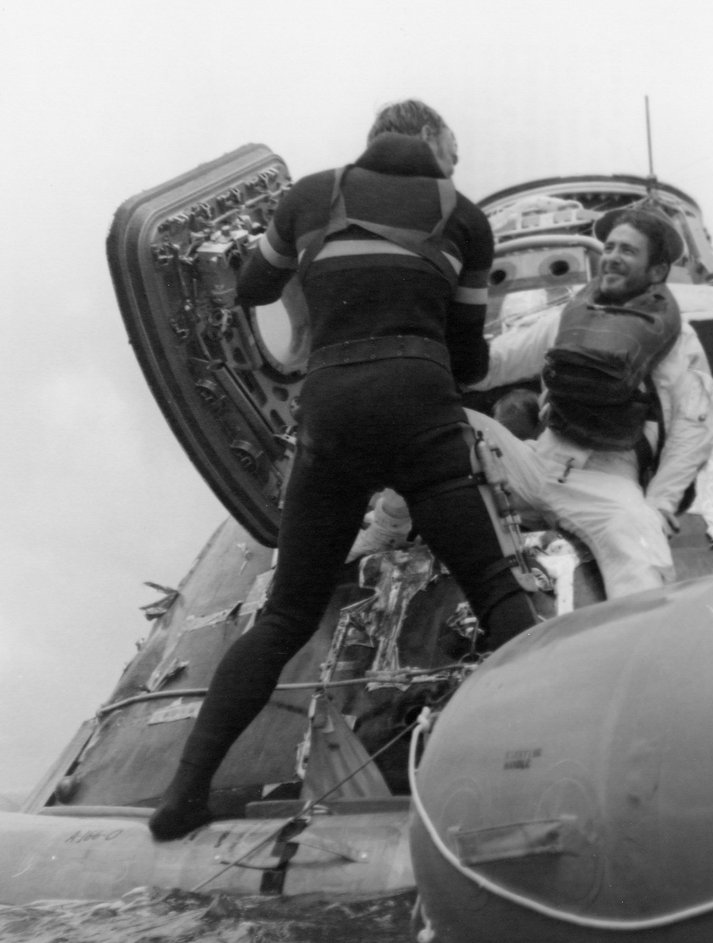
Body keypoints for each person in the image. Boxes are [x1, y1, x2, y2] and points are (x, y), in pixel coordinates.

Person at [149, 99, 538, 841]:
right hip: (419, 399)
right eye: (452, 152)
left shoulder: (308, 197)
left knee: (285, 616)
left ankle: (183, 795)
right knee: (494, 588)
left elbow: (251, 287)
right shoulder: (465, 218)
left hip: (332, 407)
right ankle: (550, 764)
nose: (454, 166)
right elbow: (468, 355)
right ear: (429, 139)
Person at [355, 205, 713, 597]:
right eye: (611, 247)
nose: (613, 257)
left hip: (605, 483)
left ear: (657, 271)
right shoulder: (570, 317)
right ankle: (388, 528)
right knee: (426, 419)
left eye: (628, 251)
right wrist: (424, 357)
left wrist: (659, 505)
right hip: (535, 466)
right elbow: (493, 365)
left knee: (642, 573)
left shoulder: (676, 342)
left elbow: (694, 426)